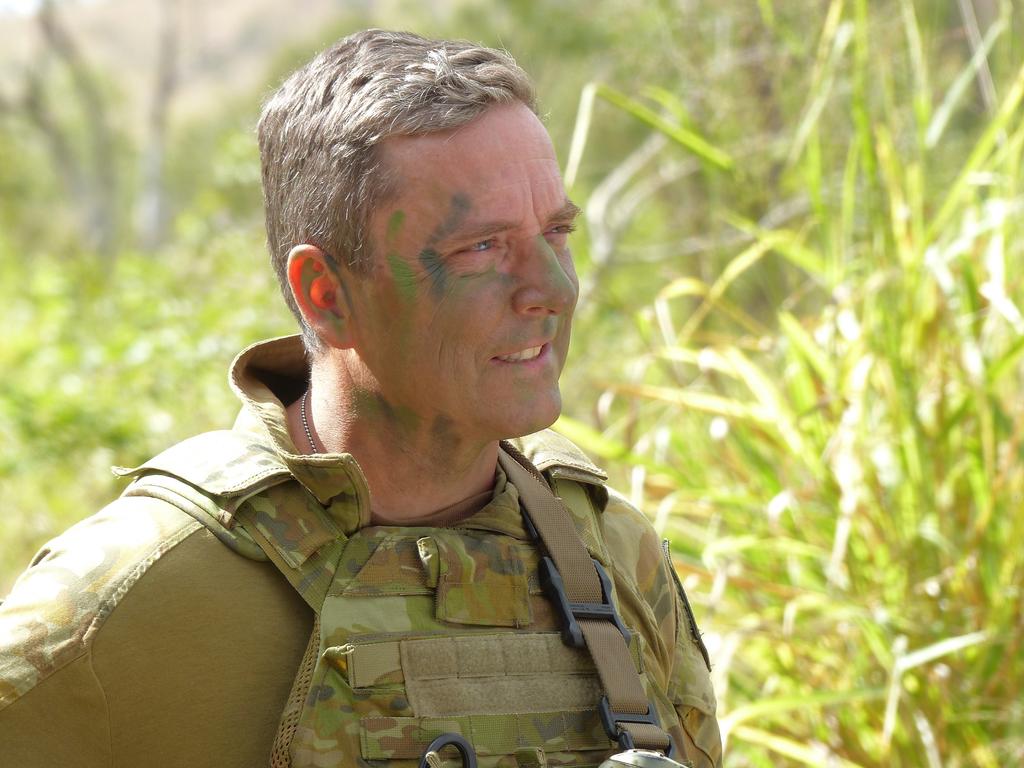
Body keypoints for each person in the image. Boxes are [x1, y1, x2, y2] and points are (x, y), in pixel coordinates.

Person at [0, 30, 722, 768]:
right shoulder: (123, 600)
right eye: (482, 248)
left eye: (556, 233)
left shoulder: (613, 556)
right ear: (327, 294)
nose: (555, 291)